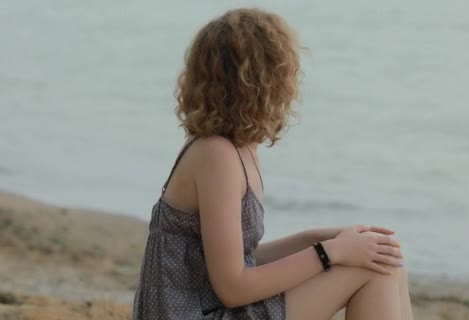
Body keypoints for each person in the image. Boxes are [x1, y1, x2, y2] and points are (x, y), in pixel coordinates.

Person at [132, 8, 413, 320]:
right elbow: (233, 287)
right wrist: (330, 253)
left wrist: (317, 238)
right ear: (263, 81)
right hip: (195, 314)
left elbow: (235, 259)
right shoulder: (216, 155)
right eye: (288, 70)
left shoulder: (237, 147)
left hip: (210, 307)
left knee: (385, 261)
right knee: (373, 271)